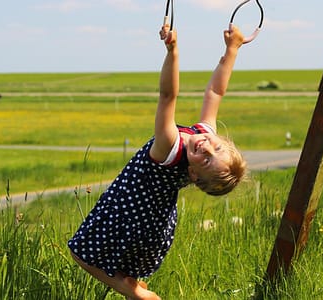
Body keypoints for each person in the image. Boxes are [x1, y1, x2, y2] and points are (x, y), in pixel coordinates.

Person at [68, 23, 247, 300]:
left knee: (81, 253)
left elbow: (167, 96)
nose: (206, 146)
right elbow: (215, 93)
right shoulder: (203, 134)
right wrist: (232, 49)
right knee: (125, 265)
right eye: (217, 146)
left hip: (130, 209)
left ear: (194, 174)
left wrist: (172, 51)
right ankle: (134, 286)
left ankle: (132, 293)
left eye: (206, 158)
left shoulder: (169, 147)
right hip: (156, 222)